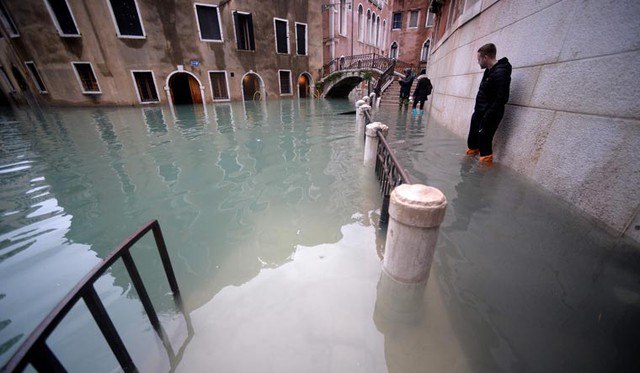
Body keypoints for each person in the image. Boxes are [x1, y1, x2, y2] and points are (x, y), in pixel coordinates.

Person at [466, 43, 511, 164]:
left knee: (484, 143)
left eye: (479, 59)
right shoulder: (489, 71)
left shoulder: (501, 72)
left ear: (485, 57)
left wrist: (487, 117)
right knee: (472, 140)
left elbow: (502, 98)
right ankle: (469, 164)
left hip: (489, 115)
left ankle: (482, 172)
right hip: (479, 113)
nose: (478, 62)